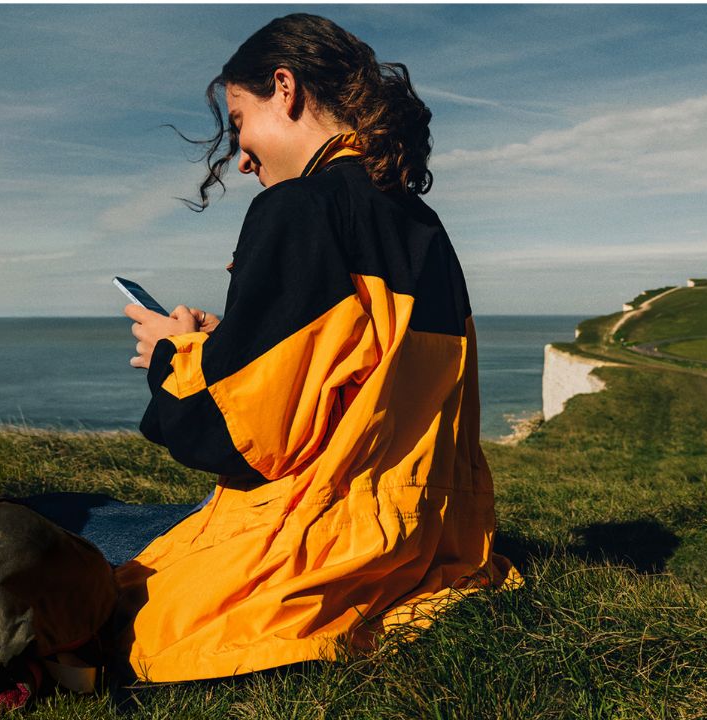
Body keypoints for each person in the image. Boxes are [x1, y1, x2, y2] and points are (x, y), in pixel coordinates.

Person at [117, 13, 521, 683]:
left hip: (324, 551)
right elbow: (361, 385)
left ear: (286, 88)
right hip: (426, 538)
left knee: (64, 541)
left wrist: (173, 352)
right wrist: (236, 342)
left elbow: (238, 440)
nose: (241, 156)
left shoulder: (302, 208)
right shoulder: (420, 223)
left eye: (239, 120)